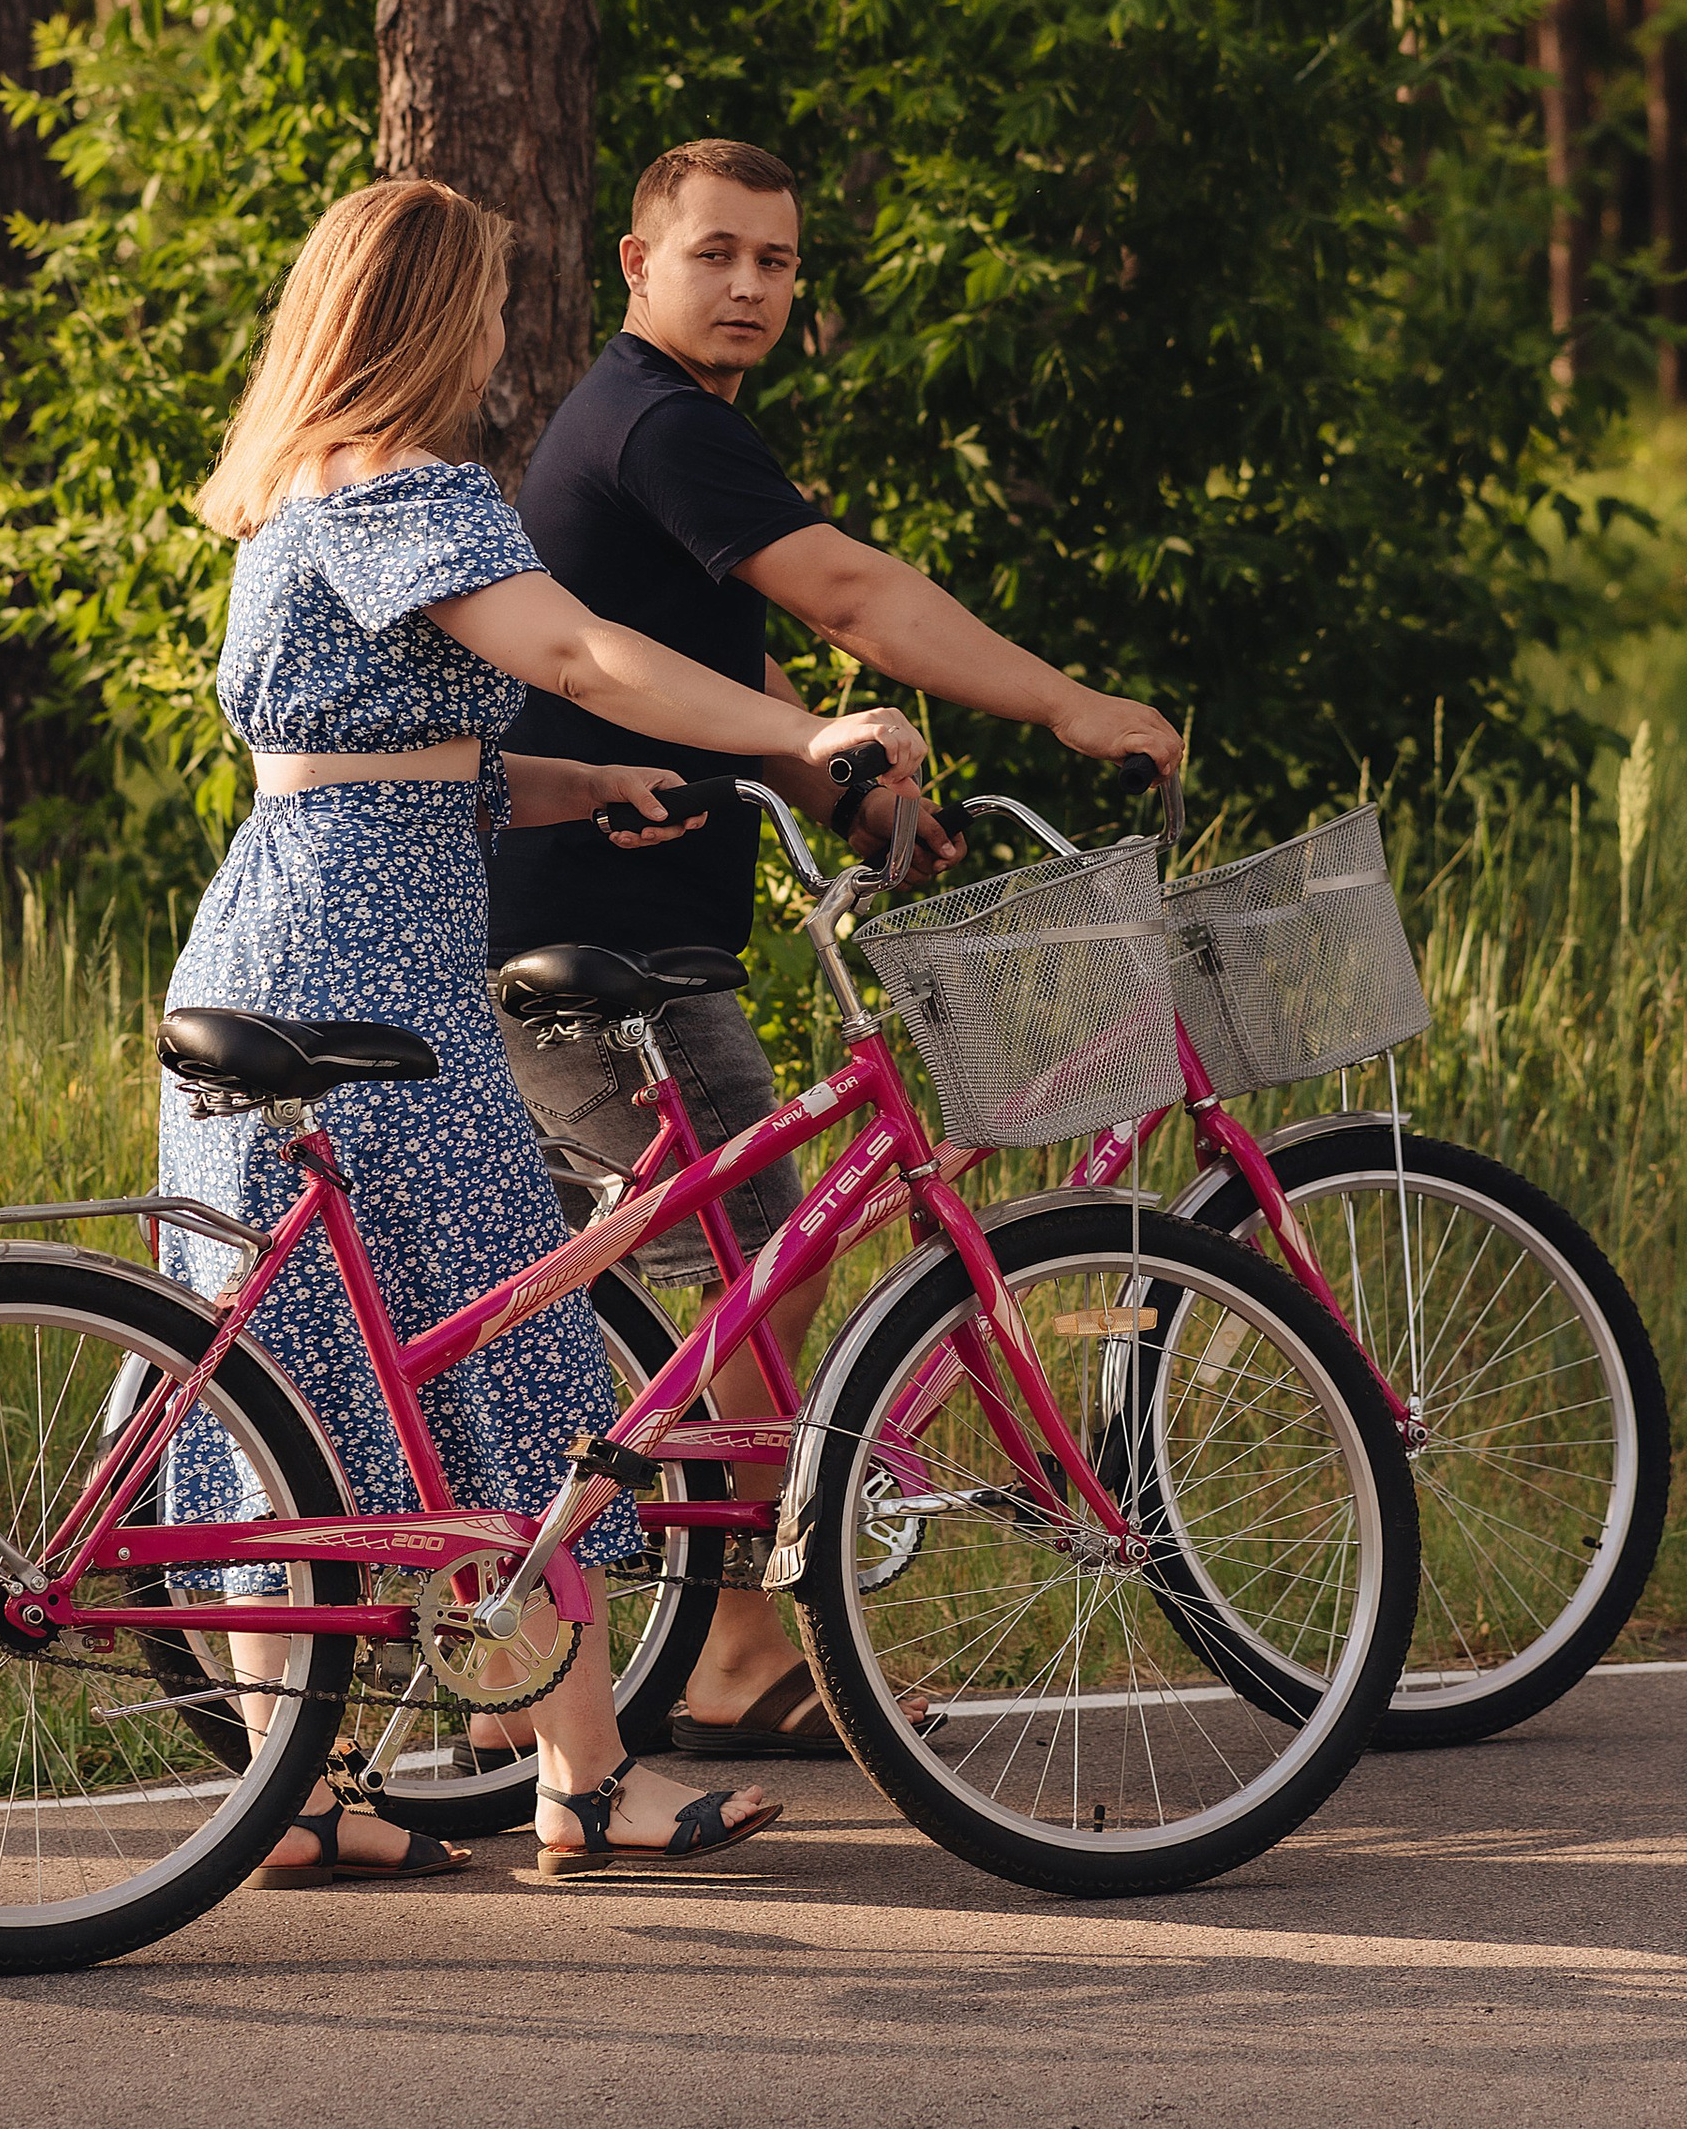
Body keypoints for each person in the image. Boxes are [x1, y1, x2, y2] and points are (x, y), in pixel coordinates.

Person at [155, 175, 924, 1881]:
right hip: (368, 976)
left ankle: (296, 1797)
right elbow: (576, 642)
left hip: (284, 927)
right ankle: (587, 1778)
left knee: (295, 1362)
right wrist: (795, 738)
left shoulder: (300, 494)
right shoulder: (408, 489)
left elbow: (380, 762)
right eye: (493, 301)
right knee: (513, 1354)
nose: (507, 330)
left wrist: (587, 784)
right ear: (437, 315)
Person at [488, 137, 1186, 1761]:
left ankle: (610, 1640)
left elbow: (706, 666)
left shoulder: (658, 424)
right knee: (758, 1267)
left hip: (617, 925)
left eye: (777, 261)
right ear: (637, 262)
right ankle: (729, 1645)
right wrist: (1068, 703)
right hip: (605, 944)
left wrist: (836, 785)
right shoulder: (659, 420)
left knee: (685, 1289)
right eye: (716, 253)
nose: (749, 285)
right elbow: (853, 597)